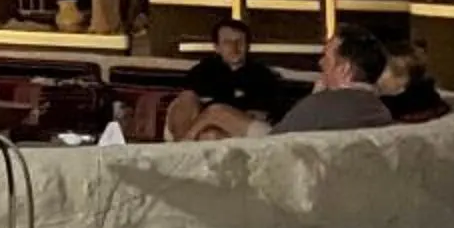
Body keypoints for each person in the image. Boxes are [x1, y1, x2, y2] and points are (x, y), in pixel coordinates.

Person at [160, 17, 296, 139]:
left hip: (247, 132)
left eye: (239, 42)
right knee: (188, 102)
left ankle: (183, 146)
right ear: (217, 47)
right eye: (227, 42)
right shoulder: (203, 70)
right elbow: (186, 103)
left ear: (248, 46)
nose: (234, 47)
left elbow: (267, 114)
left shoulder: (262, 75)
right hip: (207, 130)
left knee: (216, 111)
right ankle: (183, 145)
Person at [269, 27, 394, 135]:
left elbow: (268, 147)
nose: (320, 62)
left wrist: (316, 97)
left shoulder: (317, 108)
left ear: (345, 69)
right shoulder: (382, 113)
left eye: (326, 58)